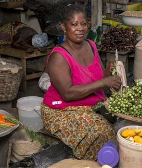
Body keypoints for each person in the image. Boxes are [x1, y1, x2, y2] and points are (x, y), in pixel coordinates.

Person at [41, 4, 122, 161]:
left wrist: (108, 73)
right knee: (103, 131)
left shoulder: (91, 45)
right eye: (74, 24)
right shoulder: (59, 57)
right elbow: (68, 93)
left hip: (90, 104)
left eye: (83, 24)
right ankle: (95, 163)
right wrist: (104, 82)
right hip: (61, 111)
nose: (80, 29)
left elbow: (94, 77)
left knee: (122, 123)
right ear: (64, 27)